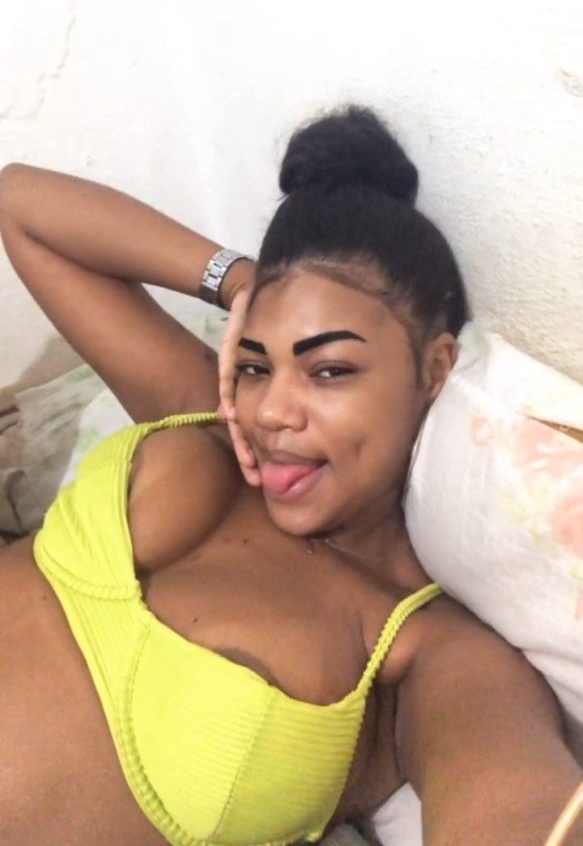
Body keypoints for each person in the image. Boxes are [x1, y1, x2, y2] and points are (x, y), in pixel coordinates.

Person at [0, 106, 580, 846]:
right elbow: (21, 203)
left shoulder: (424, 651)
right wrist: (243, 283)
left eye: (329, 370)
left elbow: (517, 803)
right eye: (254, 365)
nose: (271, 410)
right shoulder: (207, 423)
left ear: (434, 369)